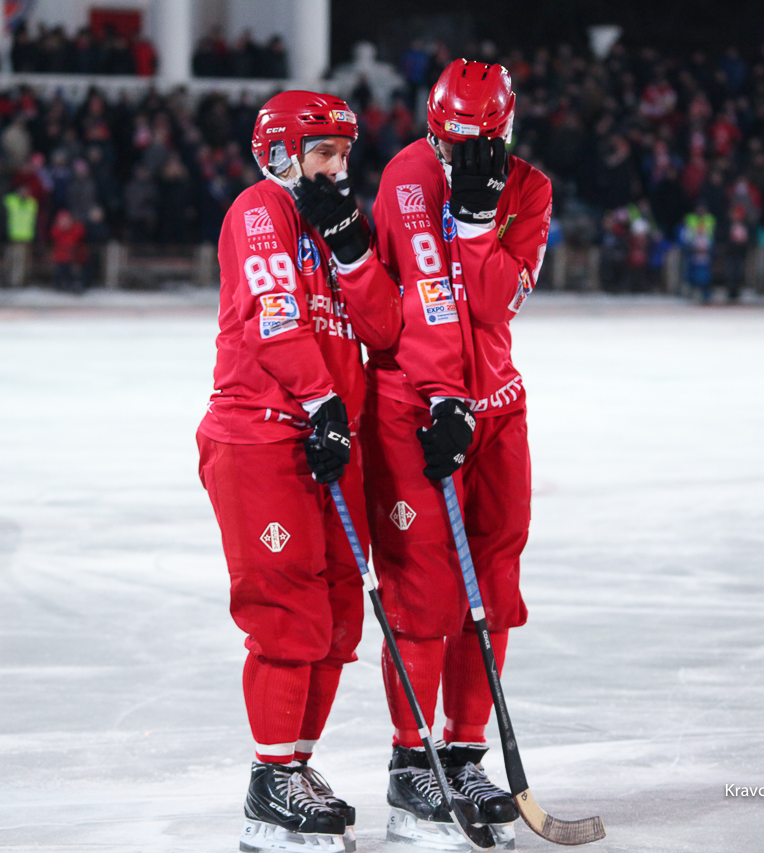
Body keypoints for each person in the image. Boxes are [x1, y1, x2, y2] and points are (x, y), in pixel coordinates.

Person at [196, 91, 402, 853]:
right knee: (287, 614)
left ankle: (297, 764)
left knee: (340, 616)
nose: (339, 168)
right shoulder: (261, 210)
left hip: (330, 443)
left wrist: (352, 249)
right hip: (264, 439)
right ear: (281, 155)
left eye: (345, 154)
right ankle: (268, 778)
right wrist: (319, 401)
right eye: (324, 153)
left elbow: (384, 329)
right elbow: (273, 312)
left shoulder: (336, 223)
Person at [364, 58, 551, 850]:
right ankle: (413, 764)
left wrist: (478, 225)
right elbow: (425, 295)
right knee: (423, 586)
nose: (459, 162)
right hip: (418, 408)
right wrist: (442, 397)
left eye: (476, 148)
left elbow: (499, 297)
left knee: (494, 586)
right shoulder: (407, 175)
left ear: (505, 134)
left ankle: (466, 748)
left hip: (497, 410)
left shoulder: (528, 190)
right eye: (449, 145)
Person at [4, 183, 37, 287]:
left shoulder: (32, 203)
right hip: (12, 236)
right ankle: (11, 281)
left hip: (26, 237)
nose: (23, 193)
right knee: (11, 261)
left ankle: (18, 283)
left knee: (22, 263)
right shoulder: (11, 200)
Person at [49, 209, 85, 293]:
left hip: (72, 257)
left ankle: (74, 285)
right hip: (60, 257)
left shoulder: (75, 229)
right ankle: (60, 285)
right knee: (60, 270)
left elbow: (80, 233)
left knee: (74, 270)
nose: (64, 223)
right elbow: (53, 235)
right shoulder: (57, 231)